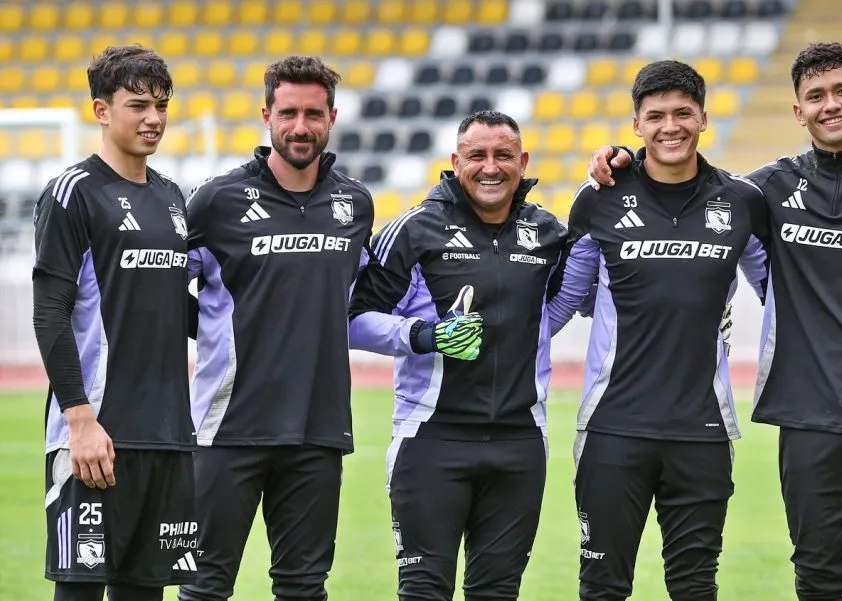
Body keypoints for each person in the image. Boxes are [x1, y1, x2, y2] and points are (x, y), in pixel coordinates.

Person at [589, 42, 842, 601]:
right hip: (807, 421)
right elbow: (683, 181)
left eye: (841, 91)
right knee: (817, 580)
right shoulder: (766, 188)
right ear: (797, 111)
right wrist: (624, 157)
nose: (830, 105)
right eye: (815, 96)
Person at [542, 61, 770, 601]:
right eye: (657, 116)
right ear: (637, 125)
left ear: (704, 119)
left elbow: (787, 293)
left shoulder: (741, 202)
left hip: (703, 430)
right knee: (602, 588)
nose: (671, 126)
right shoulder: (599, 197)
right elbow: (556, 306)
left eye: (683, 114)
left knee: (695, 587)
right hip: (612, 429)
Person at [348, 110, 567, 601]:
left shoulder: (550, 233)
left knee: (497, 593)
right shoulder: (415, 229)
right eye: (477, 156)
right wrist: (425, 334)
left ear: (523, 161)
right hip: (431, 440)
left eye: (503, 155)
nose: (490, 167)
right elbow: (354, 320)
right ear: (455, 161)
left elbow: (572, 299)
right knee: (424, 591)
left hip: (520, 442)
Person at [178, 56, 374, 601]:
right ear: (267, 114)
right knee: (202, 587)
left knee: (304, 588)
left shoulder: (354, 204)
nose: (301, 127)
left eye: (314, 113)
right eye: (288, 112)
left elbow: (358, 304)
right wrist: (217, 331)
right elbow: (165, 297)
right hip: (228, 429)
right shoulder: (216, 201)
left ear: (332, 117)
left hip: (318, 429)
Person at [32, 45, 197, 601]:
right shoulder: (74, 193)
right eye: (137, 105)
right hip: (97, 434)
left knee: (145, 593)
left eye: (161, 104)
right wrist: (80, 421)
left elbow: (178, 308)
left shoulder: (173, 197)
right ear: (101, 111)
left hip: (168, 436)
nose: (154, 118)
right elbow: (49, 312)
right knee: (80, 592)